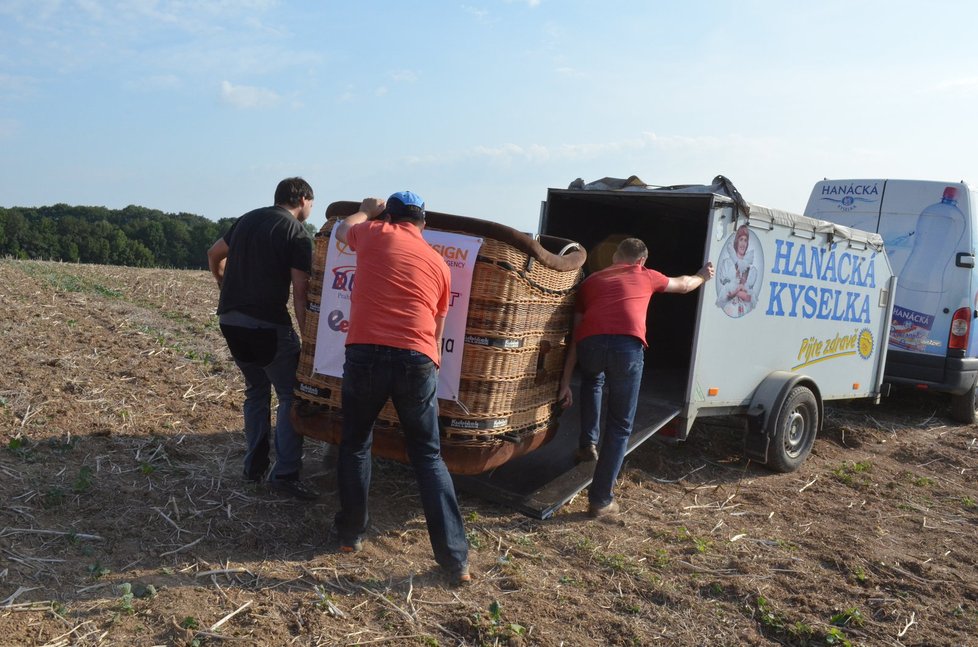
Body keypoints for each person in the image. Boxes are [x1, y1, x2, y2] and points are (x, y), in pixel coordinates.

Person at [331, 191, 470, 585]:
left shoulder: (375, 232)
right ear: (423, 223)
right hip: (418, 357)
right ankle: (455, 559)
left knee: (357, 442)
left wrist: (365, 210)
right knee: (428, 456)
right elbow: (438, 324)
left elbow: (344, 230)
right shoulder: (440, 264)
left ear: (389, 217)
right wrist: (428, 366)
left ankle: (350, 535)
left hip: (366, 352)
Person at [557, 238, 714, 518]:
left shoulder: (591, 281)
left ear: (615, 257)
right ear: (640, 261)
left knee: (593, 380)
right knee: (619, 426)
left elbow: (575, 335)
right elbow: (684, 284)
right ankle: (601, 500)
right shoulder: (646, 275)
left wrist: (565, 382)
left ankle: (587, 445)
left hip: (590, 346)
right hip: (625, 348)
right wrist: (703, 276)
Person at [206, 177, 318, 500]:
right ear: (302, 199)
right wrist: (308, 339)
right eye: (312, 202)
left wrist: (222, 283)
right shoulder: (297, 233)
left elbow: (214, 254)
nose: (312, 208)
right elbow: (300, 293)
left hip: (230, 322)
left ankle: (253, 468)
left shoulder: (247, 219)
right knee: (290, 394)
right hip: (266, 327)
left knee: (256, 390)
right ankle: (284, 474)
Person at [715, 225, 758, 317]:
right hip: (728, 310)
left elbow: (749, 297)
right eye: (741, 239)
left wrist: (735, 292)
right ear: (736, 242)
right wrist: (737, 291)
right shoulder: (727, 264)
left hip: (742, 311)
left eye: (745, 240)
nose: (743, 243)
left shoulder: (751, 270)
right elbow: (725, 295)